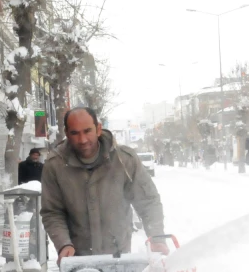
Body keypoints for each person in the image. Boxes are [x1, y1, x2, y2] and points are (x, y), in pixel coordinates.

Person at [41, 107, 164, 259]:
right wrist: (63, 244)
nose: (82, 139)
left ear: (98, 129)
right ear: (67, 133)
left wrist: (157, 237)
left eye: (87, 131)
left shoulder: (124, 160)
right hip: (77, 260)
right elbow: (52, 212)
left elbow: (148, 201)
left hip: (119, 256)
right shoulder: (55, 166)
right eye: (75, 133)